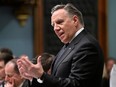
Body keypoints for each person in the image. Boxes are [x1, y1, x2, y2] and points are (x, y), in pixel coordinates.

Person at [17, 3, 104, 87]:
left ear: (75, 20)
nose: (55, 28)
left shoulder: (87, 46)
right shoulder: (68, 46)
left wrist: (42, 76)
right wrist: (34, 78)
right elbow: (56, 80)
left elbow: (76, 84)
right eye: (53, 25)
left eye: (59, 22)